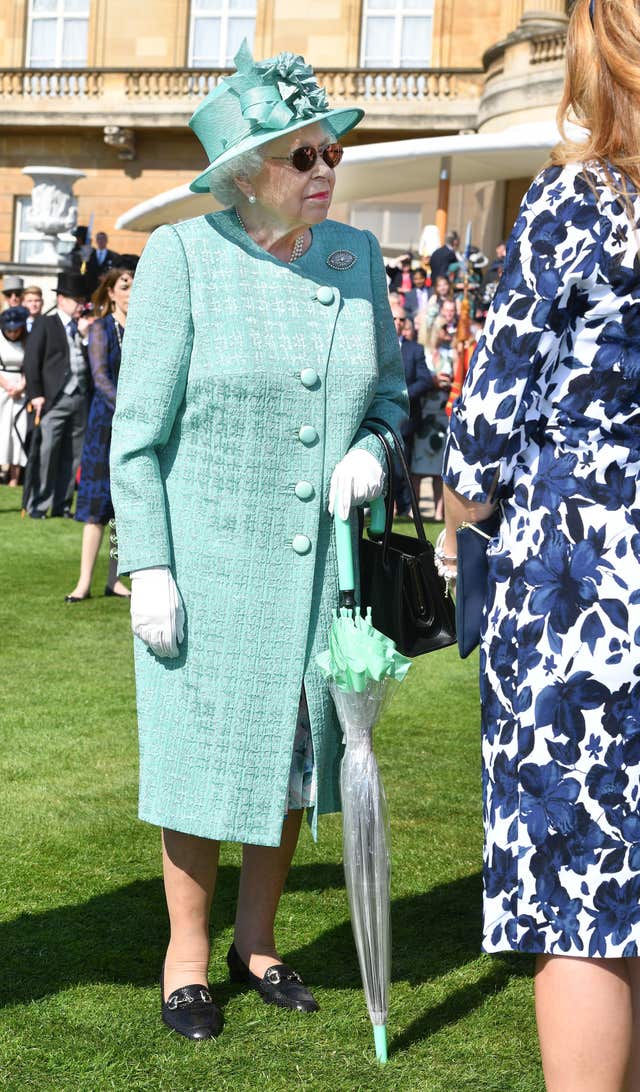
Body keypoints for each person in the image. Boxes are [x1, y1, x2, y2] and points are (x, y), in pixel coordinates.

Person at [110, 40, 407, 1043]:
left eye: (331, 157)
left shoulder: (354, 260)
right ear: (245, 174)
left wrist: (373, 446)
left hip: (322, 569)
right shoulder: (184, 257)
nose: (326, 174)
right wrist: (147, 563)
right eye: (304, 159)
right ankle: (185, 957)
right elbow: (137, 434)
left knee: (298, 758)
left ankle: (259, 939)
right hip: (209, 563)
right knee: (201, 761)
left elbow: (397, 398)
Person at [441, 2, 640, 1088]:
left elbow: (483, 429)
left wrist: (457, 517)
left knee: (584, 896)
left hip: (581, 590)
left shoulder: (577, 201)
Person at [65, 268, 133, 603]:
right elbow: (100, 377)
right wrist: (129, 409)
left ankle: (115, 579)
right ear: (110, 292)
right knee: (96, 508)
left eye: (135, 285)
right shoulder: (100, 329)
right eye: (125, 286)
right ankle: (83, 583)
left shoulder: (144, 330)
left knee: (124, 509)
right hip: (104, 427)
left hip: (134, 426)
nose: (131, 291)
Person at [23, 271, 91, 518]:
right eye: (76, 299)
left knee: (72, 455)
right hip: (53, 399)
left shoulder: (83, 328)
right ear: (62, 299)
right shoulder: (45, 323)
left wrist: (85, 339)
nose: (81, 304)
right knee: (46, 453)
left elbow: (90, 362)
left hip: (80, 396)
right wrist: (36, 394)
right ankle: (39, 505)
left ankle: (62, 505)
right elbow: (31, 361)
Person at [389, 300, 441, 517]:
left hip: (405, 416)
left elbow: (425, 380)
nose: (399, 323)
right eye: (394, 318)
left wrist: (403, 395)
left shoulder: (414, 349)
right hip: (376, 413)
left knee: (402, 466)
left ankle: (404, 507)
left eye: (402, 319)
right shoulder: (374, 345)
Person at [411, 298, 456, 518]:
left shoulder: (449, 354)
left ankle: (439, 511)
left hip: (442, 413)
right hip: (425, 412)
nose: (446, 331)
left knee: (439, 468)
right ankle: (415, 509)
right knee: (418, 467)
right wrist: (434, 381)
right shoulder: (424, 353)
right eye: (443, 328)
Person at [0, 306, 29, 485]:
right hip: (3, 387)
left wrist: (21, 386)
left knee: (18, 429)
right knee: (2, 429)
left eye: (16, 330)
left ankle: (14, 477)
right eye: (9, 330)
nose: (12, 333)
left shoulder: (28, 341)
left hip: (21, 388)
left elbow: (31, 364)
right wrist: (7, 385)